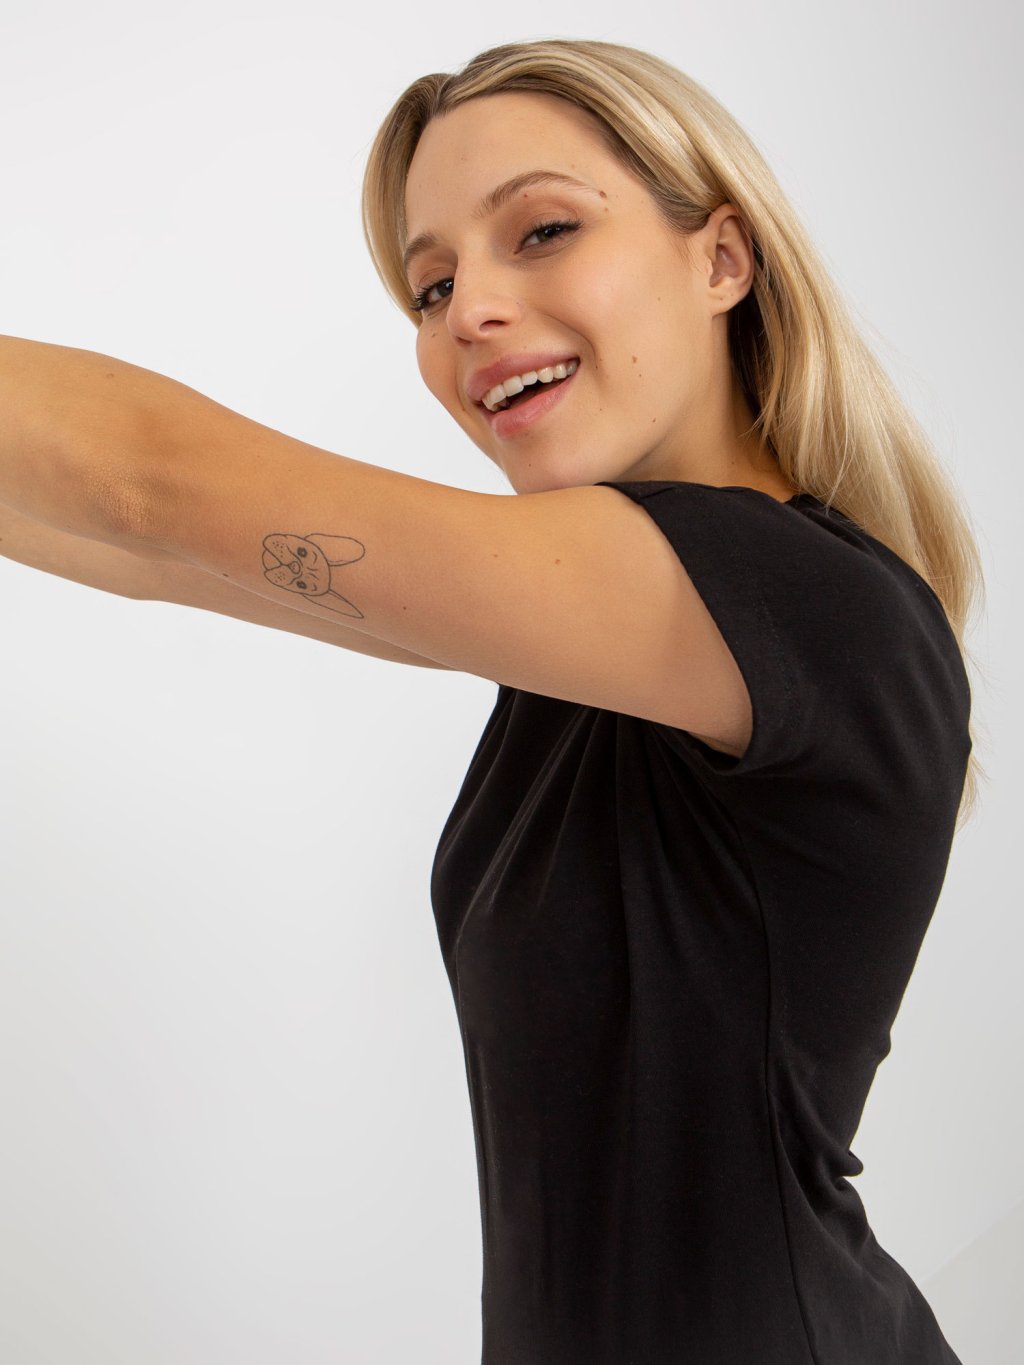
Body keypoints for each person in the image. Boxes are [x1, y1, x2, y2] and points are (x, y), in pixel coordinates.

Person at [0, 35, 982, 1365]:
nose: (469, 311)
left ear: (722, 261)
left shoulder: (796, 599)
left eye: (543, 231)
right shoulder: (603, 650)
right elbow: (156, 551)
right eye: (433, 285)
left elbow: (149, 485)